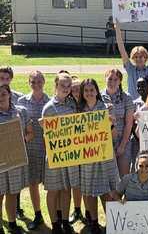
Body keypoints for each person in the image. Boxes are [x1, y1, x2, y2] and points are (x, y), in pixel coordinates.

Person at [78, 79, 120, 233]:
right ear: (82, 93)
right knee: (89, 191)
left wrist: (111, 124)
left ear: (97, 91)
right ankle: (94, 223)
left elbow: (114, 135)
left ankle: (112, 222)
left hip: (104, 155)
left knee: (107, 190)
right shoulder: (79, 111)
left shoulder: (106, 108)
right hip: (87, 156)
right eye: (86, 90)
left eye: (92, 90)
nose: (89, 93)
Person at [41, 72, 79, 234]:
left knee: (66, 189)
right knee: (54, 190)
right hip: (54, 156)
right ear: (56, 86)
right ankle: (55, 224)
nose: (65, 88)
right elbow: (46, 137)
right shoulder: (49, 108)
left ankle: (65, 221)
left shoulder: (72, 105)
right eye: (62, 85)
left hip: (70, 155)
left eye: (68, 86)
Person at [17, 71, 50, 230]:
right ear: (28, 83)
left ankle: (57, 217)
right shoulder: (22, 102)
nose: (36, 84)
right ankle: (38, 214)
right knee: (33, 183)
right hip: (30, 148)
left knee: (53, 185)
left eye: (39, 81)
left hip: (48, 149)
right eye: (33, 82)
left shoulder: (50, 101)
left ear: (44, 82)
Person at [0, 84, 33, 234]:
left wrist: (20, 141)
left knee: (12, 193)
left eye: (3, 94)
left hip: (15, 160)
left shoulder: (21, 112)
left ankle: (12, 222)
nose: (1, 97)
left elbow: (30, 133)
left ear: (9, 95)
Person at [101, 69, 135, 177]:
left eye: (116, 79)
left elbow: (129, 123)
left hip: (123, 140)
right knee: (108, 176)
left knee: (124, 175)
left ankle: (123, 194)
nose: (112, 82)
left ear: (120, 81)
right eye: (110, 79)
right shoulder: (98, 97)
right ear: (105, 79)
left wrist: (122, 146)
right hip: (104, 141)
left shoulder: (127, 98)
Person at [115, 19, 148, 100]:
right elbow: (121, 49)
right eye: (136, 57)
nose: (138, 59)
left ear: (145, 57)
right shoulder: (130, 69)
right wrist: (117, 29)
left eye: (141, 56)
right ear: (132, 58)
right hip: (132, 104)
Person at [67, 76, 85, 225]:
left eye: (78, 89)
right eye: (73, 89)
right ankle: (77, 209)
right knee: (75, 181)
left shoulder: (88, 104)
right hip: (72, 148)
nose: (76, 92)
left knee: (86, 180)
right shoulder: (67, 104)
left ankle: (89, 211)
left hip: (88, 148)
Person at [130, 77, 148, 172]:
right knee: (137, 164)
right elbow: (132, 124)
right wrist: (139, 138)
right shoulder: (134, 104)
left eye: (143, 86)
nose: (140, 89)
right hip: (137, 140)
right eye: (138, 86)